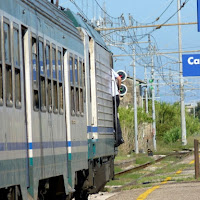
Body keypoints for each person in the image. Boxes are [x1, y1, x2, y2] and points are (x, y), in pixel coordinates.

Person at [111, 69, 124, 147]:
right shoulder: (111, 70)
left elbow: (119, 78)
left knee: (113, 117)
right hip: (115, 95)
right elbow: (119, 78)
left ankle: (119, 138)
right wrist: (118, 88)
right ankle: (119, 137)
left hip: (112, 96)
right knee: (115, 116)